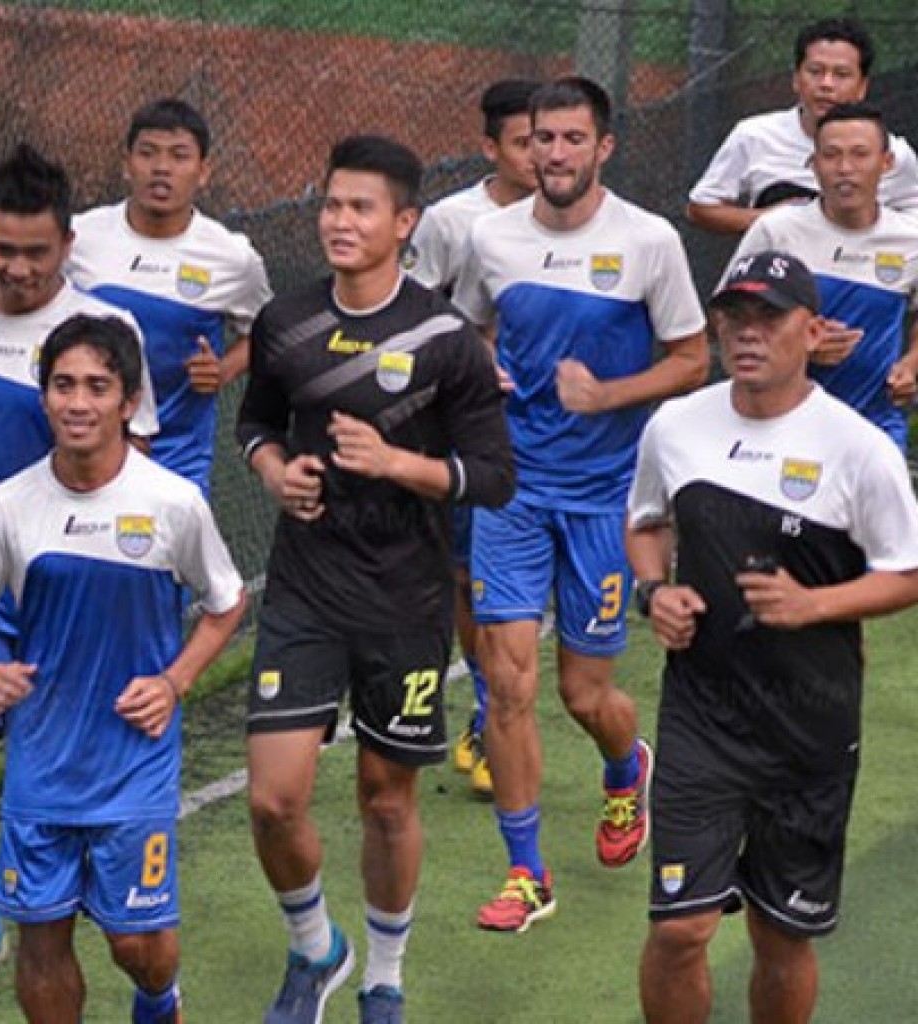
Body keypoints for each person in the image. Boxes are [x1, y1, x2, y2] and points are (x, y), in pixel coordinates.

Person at [237, 134, 514, 1024]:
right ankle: (317, 948)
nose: (339, 221)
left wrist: (398, 463)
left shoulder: (446, 338)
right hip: (305, 589)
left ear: (405, 224)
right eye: (330, 204)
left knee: (385, 799)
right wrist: (278, 472)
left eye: (361, 208)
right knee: (274, 798)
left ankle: (384, 975)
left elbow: (493, 477)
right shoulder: (286, 319)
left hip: (406, 600)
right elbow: (255, 425)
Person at [0, 314, 246, 1024]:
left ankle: (160, 1001)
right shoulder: (7, 508)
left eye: (97, 387)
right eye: (63, 384)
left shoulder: (173, 502)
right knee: (41, 940)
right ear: (43, 397)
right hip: (41, 764)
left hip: (134, 762)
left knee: (137, 942)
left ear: (128, 401)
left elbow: (226, 603)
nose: (78, 402)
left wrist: (175, 682)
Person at [626, 249, 918, 1023]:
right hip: (702, 719)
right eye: (735, 318)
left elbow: (908, 572)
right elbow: (646, 524)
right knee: (682, 927)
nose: (747, 335)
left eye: (769, 318)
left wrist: (810, 605)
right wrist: (656, 591)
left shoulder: (860, 449)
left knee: (781, 933)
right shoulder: (676, 426)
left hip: (809, 725)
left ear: (811, 329)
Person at [452, 75, 709, 933]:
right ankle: (526, 874)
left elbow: (691, 358)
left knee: (583, 694)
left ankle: (623, 766)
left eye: (571, 139)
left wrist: (609, 397)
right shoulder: (492, 239)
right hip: (513, 490)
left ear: (603, 147)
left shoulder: (649, 241)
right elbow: (473, 328)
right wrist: (482, 365)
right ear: (521, 148)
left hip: (608, 499)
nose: (553, 154)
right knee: (506, 681)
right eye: (540, 140)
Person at [0, 143, 158, 1014]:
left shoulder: (104, 337)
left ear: (66, 247)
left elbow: (141, 460)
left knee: (76, 799)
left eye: (36, 253)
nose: (17, 269)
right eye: (1, 250)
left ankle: (122, 942)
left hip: (73, 592)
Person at [407, 76, 540, 796]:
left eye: (550, 139)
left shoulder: (583, 221)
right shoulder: (453, 223)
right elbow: (413, 311)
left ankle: (503, 715)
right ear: (490, 147)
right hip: (467, 430)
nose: (540, 155)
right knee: (467, 578)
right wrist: (470, 355)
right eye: (524, 142)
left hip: (555, 437)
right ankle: (490, 712)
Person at [68, 97, 272, 495]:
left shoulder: (232, 258)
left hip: (178, 456)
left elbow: (268, 330)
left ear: (204, 171)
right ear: (127, 163)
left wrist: (224, 370)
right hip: (83, 447)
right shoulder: (79, 239)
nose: (161, 169)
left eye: (179, 156)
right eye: (148, 154)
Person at [723, 102, 918, 449]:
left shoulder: (910, 239)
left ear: (886, 164)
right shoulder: (776, 230)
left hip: (874, 428)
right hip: (777, 428)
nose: (845, 169)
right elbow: (723, 317)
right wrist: (796, 348)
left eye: (860, 154)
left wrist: (911, 364)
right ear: (813, 166)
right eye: (831, 155)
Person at [687, 17, 918, 236]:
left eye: (841, 74)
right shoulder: (753, 135)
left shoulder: (895, 154)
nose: (826, 84)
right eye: (815, 71)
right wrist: (769, 220)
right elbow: (701, 207)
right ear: (796, 78)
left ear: (862, 87)